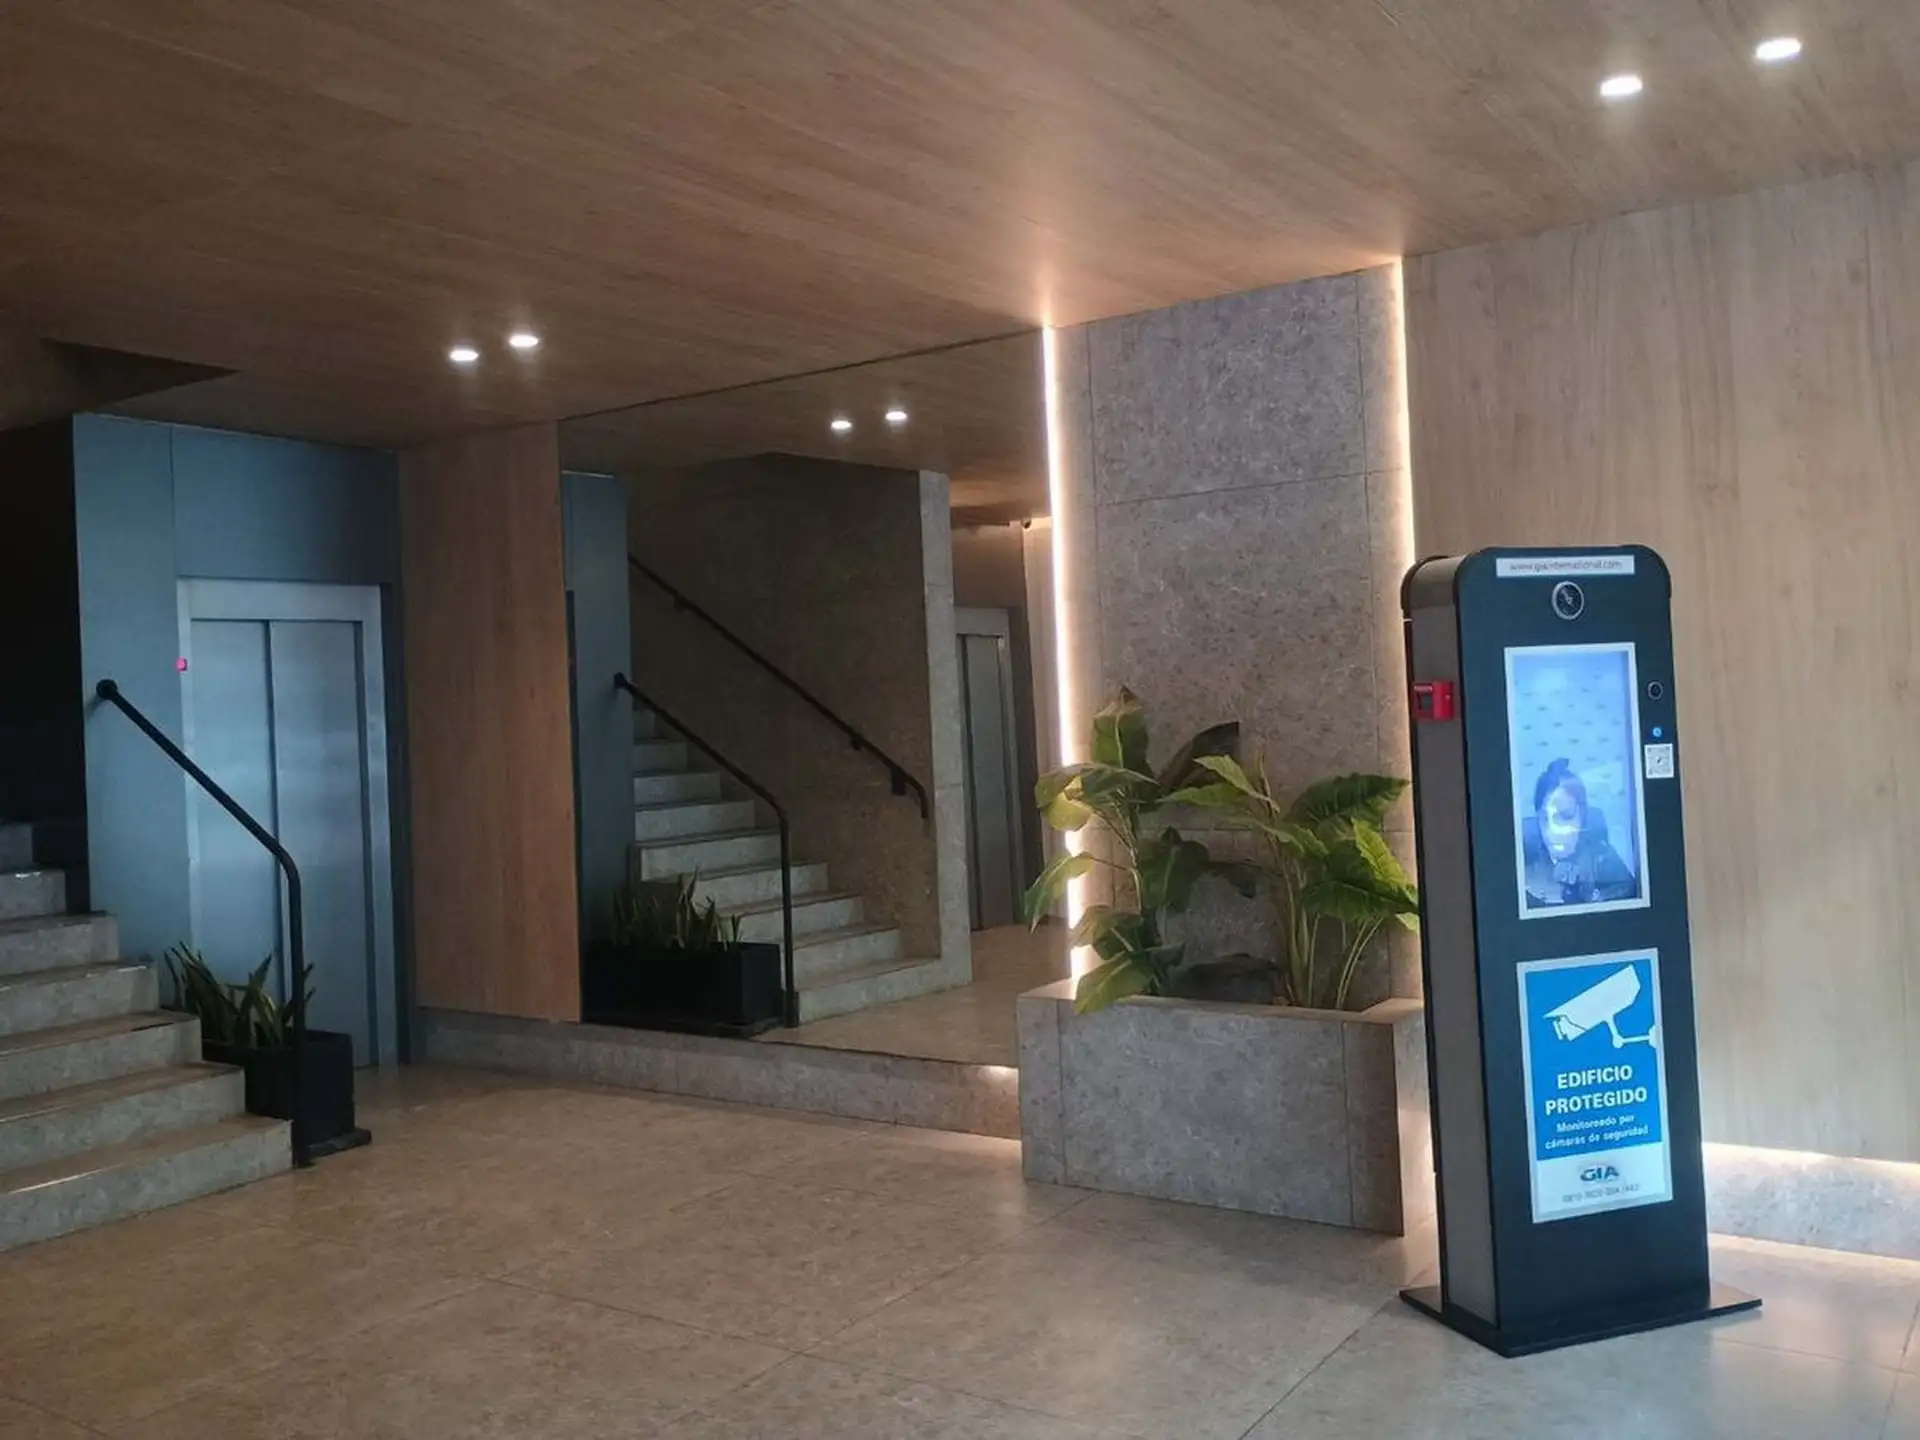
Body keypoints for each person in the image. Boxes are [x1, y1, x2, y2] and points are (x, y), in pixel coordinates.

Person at [1522, 758, 1638, 909]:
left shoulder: (1603, 859)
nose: (1553, 829)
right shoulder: (1527, 865)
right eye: (1544, 818)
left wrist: (1593, 896)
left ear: (1582, 816)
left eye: (1566, 816)